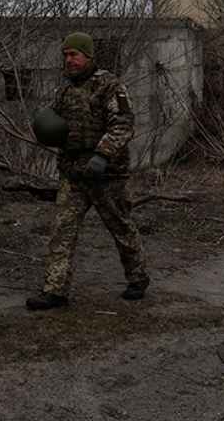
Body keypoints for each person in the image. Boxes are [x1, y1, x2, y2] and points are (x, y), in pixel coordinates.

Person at [26, 32, 149, 310]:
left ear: (88, 56)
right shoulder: (64, 90)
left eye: (74, 54)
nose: (68, 60)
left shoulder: (110, 86)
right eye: (65, 55)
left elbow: (124, 123)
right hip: (74, 175)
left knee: (122, 228)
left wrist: (102, 155)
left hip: (106, 176)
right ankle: (55, 291)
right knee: (62, 232)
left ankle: (138, 277)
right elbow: (56, 124)